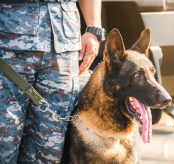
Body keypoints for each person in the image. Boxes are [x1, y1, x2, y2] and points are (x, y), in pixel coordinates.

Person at [0, 0, 104, 163]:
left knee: (49, 150)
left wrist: (93, 29)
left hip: (63, 46)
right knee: (3, 142)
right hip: (7, 43)